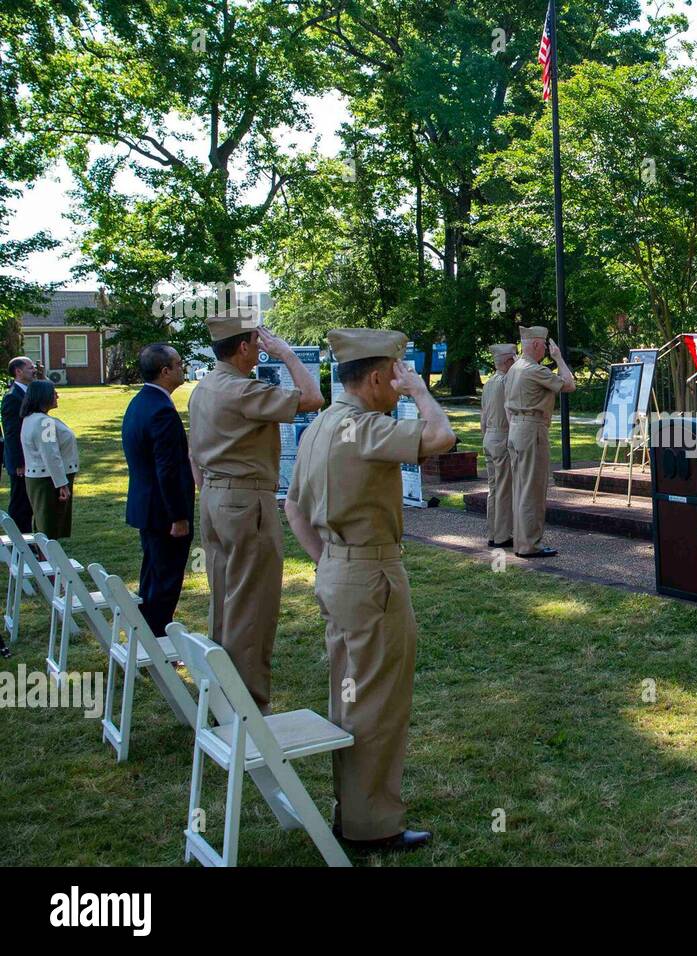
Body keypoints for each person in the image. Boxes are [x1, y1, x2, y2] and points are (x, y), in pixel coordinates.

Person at [284, 328, 455, 852]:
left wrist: (330, 561)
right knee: (378, 702)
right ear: (377, 377)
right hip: (372, 576)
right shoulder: (362, 427)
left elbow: (292, 506)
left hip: (338, 570)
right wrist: (423, 394)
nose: (398, 385)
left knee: (350, 694)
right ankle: (372, 824)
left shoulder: (317, 427)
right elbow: (441, 439)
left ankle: (352, 809)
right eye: (396, 375)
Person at [187, 314, 324, 714]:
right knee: (254, 603)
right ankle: (246, 705)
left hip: (214, 497)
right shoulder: (239, 389)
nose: (263, 345)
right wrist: (286, 355)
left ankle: (220, 693)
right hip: (246, 501)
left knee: (225, 599)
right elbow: (313, 398)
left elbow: (193, 451)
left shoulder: (205, 387)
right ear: (244, 347)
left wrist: (211, 491)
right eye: (258, 340)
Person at [123, 343, 196, 637]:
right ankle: (158, 642)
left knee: (152, 576)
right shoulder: (162, 411)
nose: (183, 368)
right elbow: (167, 470)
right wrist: (178, 517)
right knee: (165, 581)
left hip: (146, 505)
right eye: (178, 364)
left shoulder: (140, 402)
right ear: (165, 371)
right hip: (164, 513)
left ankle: (146, 634)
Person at [505, 326, 575, 558]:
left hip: (516, 428)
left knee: (521, 488)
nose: (546, 349)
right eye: (544, 345)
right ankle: (529, 545)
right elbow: (569, 384)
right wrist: (559, 358)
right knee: (532, 490)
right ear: (536, 345)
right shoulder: (534, 370)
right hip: (532, 429)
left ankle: (521, 541)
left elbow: (507, 406)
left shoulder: (515, 368)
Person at [19, 380, 78, 540]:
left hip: (41, 478)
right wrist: (62, 484)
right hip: (48, 480)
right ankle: (47, 561)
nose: (57, 396)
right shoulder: (44, 422)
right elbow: (50, 454)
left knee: (43, 524)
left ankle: (43, 559)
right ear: (43, 397)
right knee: (49, 527)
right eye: (53, 393)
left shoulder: (31, 418)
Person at [480, 343, 516, 549]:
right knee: (503, 488)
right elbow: (509, 411)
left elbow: (483, 416)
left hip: (489, 437)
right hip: (502, 436)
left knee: (493, 488)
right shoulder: (506, 382)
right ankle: (503, 535)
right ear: (508, 360)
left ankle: (493, 532)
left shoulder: (489, 383)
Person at [3, 356, 36, 532]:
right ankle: (19, 541)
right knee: (20, 503)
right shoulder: (13, 397)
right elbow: (12, 433)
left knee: (28, 502)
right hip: (20, 462)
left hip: (30, 458)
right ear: (18, 371)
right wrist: (18, 463)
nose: (34, 370)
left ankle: (27, 537)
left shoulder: (28, 392)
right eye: (30, 368)